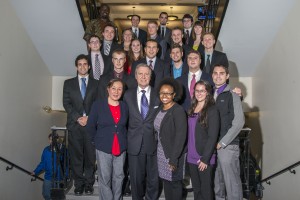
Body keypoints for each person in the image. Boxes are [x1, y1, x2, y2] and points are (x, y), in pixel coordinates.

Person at [123, 63, 161, 200]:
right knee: (136, 179)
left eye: (147, 74)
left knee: (153, 180)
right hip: (134, 143)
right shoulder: (127, 95)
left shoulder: (159, 95)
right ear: (135, 76)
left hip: (154, 143)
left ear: (150, 77)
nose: (143, 77)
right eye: (140, 74)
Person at [87, 79, 129, 200]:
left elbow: (125, 126)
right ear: (108, 89)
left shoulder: (124, 106)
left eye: (119, 89)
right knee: (105, 178)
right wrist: (96, 142)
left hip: (120, 147)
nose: (116, 91)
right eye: (114, 88)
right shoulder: (98, 104)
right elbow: (90, 126)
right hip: (103, 146)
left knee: (119, 176)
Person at [63, 54, 97, 195]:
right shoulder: (68, 83)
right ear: (77, 66)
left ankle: (89, 184)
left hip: (91, 126)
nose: (82, 67)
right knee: (76, 157)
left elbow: (99, 103)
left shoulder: (97, 83)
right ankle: (78, 184)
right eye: (80, 64)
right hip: (74, 126)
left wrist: (89, 118)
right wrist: (78, 117)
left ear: (89, 66)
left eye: (85, 64)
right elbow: (67, 103)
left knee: (90, 157)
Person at [212, 65, 245, 200]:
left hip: (227, 146)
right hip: (212, 147)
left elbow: (239, 122)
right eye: (215, 73)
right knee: (217, 185)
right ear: (212, 75)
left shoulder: (233, 95)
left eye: (222, 73)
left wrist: (222, 142)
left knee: (232, 186)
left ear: (227, 76)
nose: (218, 76)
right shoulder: (209, 95)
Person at [153, 78, 187, 200]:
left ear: (174, 94)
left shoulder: (178, 110)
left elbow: (181, 136)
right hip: (162, 152)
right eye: (162, 93)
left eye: (168, 93)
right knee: (166, 182)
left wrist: (173, 159)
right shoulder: (159, 109)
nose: (165, 96)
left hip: (173, 154)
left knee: (175, 184)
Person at [187, 80, 220, 200]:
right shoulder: (192, 108)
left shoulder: (212, 110)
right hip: (191, 156)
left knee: (206, 191)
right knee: (197, 190)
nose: (199, 93)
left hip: (204, 157)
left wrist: (205, 159)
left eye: (202, 91)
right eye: (197, 90)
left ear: (207, 93)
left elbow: (213, 136)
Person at [31, 133, 63, 200]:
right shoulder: (46, 150)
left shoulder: (62, 150)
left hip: (58, 178)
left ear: (57, 139)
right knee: (46, 194)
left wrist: (65, 175)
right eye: (50, 139)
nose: (52, 141)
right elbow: (43, 163)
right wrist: (35, 171)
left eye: (53, 139)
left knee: (57, 197)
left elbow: (65, 163)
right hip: (48, 177)